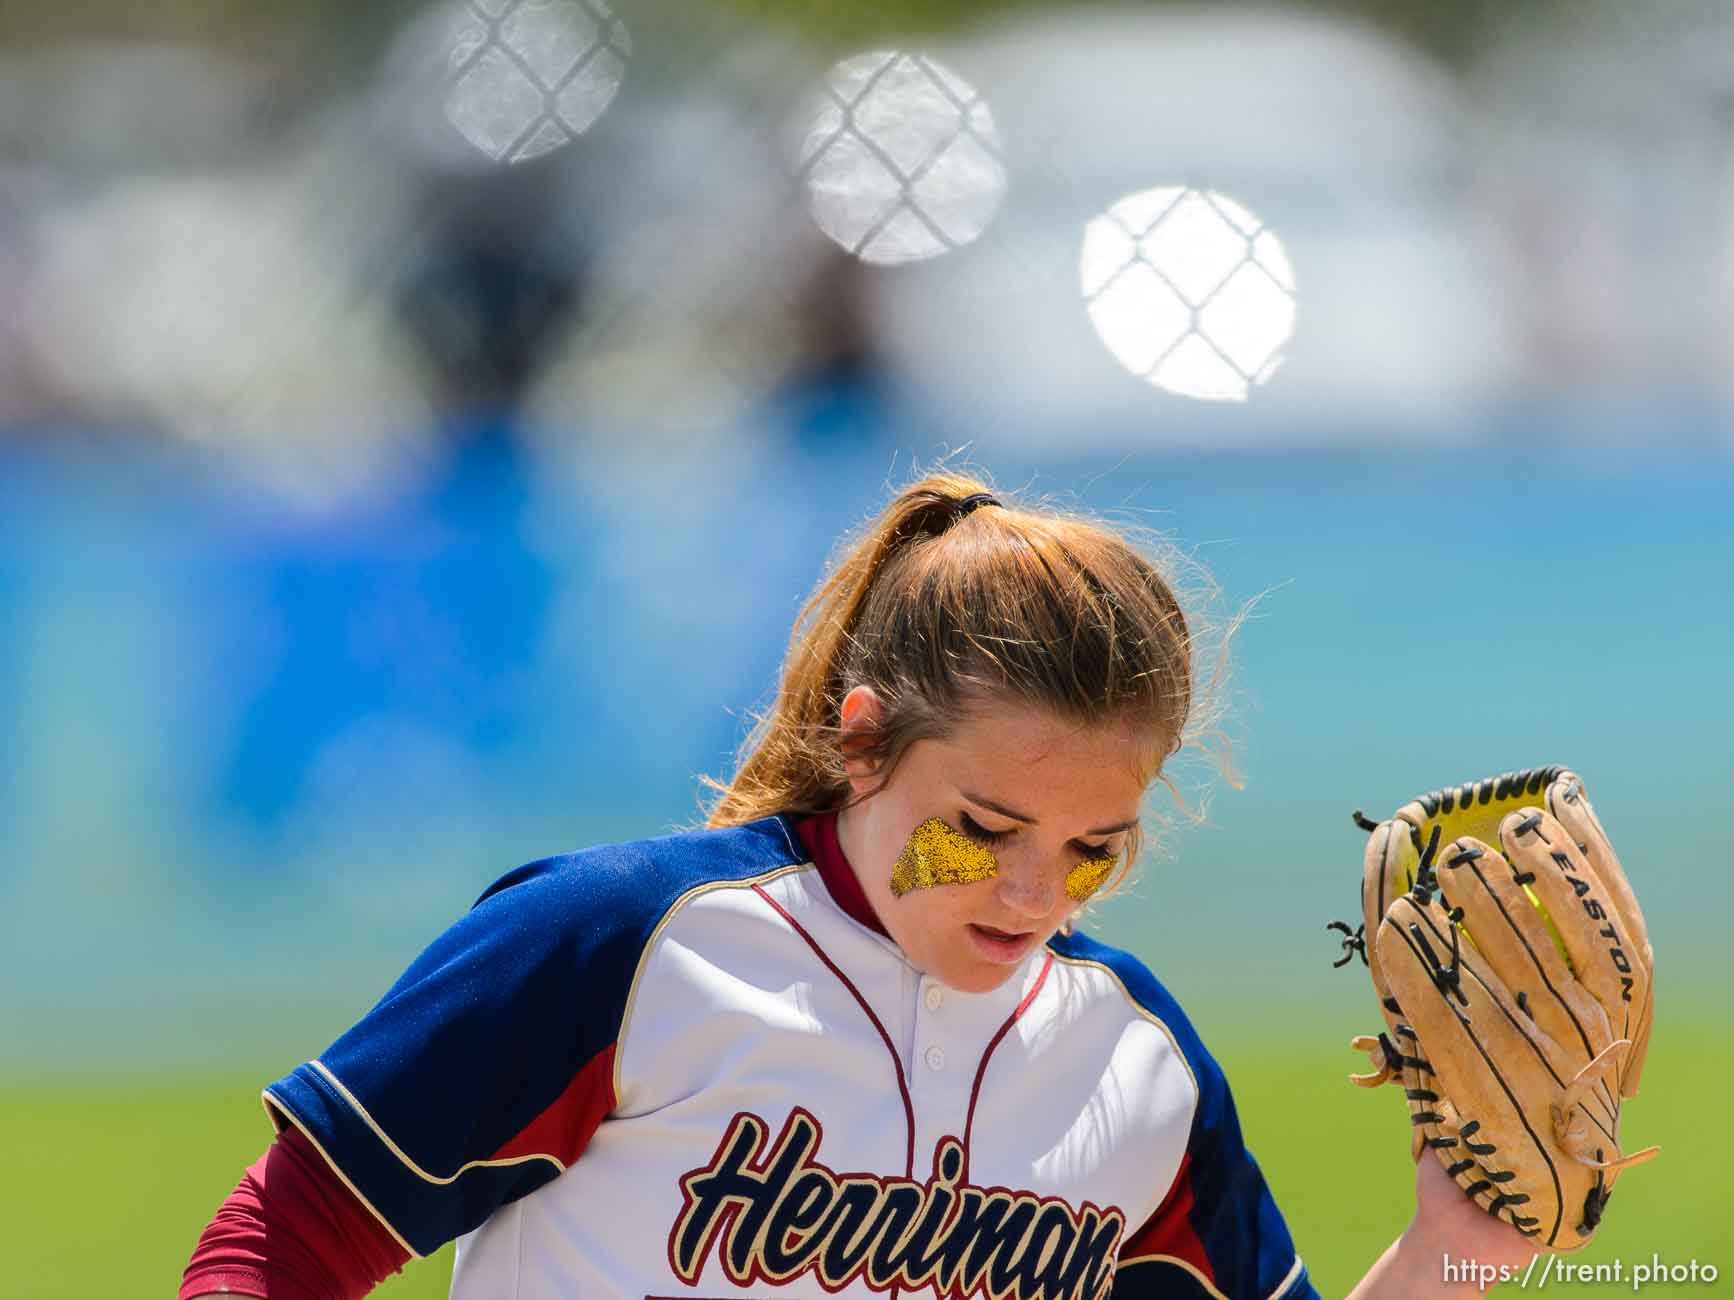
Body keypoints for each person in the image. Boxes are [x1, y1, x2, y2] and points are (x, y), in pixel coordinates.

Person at [182, 472, 1537, 1300]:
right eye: (985, 827)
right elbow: (283, 1241)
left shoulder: (1131, 1063)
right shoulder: (629, 946)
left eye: (1090, 848)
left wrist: (1453, 1248)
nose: (1029, 892)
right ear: (863, 737)